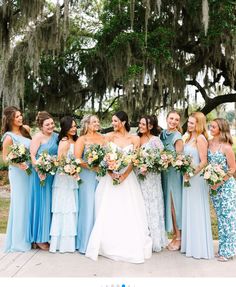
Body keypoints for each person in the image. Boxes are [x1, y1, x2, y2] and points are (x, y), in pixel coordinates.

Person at [85, 111, 152, 263]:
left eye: (115, 121)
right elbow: (103, 158)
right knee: (109, 209)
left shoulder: (135, 139)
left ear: (123, 122)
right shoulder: (108, 137)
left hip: (127, 180)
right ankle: (107, 244)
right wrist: (110, 172)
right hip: (110, 179)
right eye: (112, 121)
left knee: (128, 209)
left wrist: (124, 176)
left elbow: (134, 161)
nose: (113, 123)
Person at [181, 112, 214, 259]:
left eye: (192, 123)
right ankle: (190, 246)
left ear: (199, 124)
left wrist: (191, 173)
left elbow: (204, 161)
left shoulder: (200, 139)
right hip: (188, 177)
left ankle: (199, 248)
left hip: (196, 178)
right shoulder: (189, 138)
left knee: (197, 209)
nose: (189, 125)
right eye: (188, 122)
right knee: (190, 209)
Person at [1, 106, 32, 252]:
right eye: (17, 116)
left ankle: (29, 237)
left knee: (29, 203)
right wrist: (17, 161)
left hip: (30, 171)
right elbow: (5, 158)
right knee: (20, 204)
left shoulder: (26, 130)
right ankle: (18, 241)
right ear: (10, 119)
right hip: (18, 173)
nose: (20, 118)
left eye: (20, 115)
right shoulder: (8, 137)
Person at [27, 111, 58, 251]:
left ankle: (48, 235)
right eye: (47, 125)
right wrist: (39, 170)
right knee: (42, 204)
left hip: (53, 174)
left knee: (51, 204)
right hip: (40, 175)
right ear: (41, 126)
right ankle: (39, 239)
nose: (51, 126)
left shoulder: (57, 136)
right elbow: (32, 156)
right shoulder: (37, 137)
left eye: (52, 123)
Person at [74, 115, 105, 254]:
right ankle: (85, 243)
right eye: (94, 122)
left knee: (99, 206)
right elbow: (77, 159)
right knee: (87, 207)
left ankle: (99, 243)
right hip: (87, 176)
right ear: (86, 124)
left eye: (98, 121)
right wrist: (92, 167)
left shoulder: (102, 138)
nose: (97, 124)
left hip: (102, 177)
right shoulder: (82, 139)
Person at [137, 115, 167, 252]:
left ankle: (155, 239)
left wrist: (149, 166)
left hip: (152, 179)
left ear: (150, 126)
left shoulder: (155, 141)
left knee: (153, 205)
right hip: (139, 178)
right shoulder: (137, 138)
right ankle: (142, 238)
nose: (141, 126)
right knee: (141, 205)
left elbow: (162, 161)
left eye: (144, 124)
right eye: (140, 123)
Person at [208, 118, 236, 262]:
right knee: (220, 218)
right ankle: (222, 249)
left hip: (226, 187)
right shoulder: (209, 143)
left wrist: (219, 182)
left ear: (221, 129)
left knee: (228, 219)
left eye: (213, 126)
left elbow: (232, 169)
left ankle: (229, 251)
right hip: (213, 187)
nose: (210, 128)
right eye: (210, 126)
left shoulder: (226, 147)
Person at [49, 116, 79, 253]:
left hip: (72, 178)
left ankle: (70, 243)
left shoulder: (75, 140)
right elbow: (60, 162)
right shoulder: (64, 141)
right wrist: (69, 170)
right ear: (65, 128)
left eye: (75, 126)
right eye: (71, 126)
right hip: (64, 179)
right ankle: (62, 244)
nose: (74, 128)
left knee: (71, 208)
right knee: (64, 208)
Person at [160, 110, 183, 251]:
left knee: (174, 205)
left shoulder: (178, 137)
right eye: (171, 118)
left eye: (176, 120)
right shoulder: (162, 134)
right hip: (164, 173)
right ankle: (174, 234)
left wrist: (168, 160)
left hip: (174, 174)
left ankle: (179, 237)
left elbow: (179, 159)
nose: (173, 121)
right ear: (167, 119)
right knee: (168, 204)